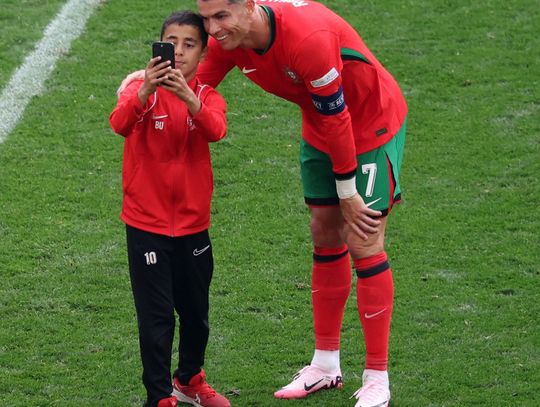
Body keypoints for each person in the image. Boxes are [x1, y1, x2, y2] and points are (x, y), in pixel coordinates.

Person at [119, 1, 407, 406]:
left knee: (363, 237)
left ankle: (377, 376)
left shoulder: (308, 40)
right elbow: (193, 85)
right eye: (206, 18)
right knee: (323, 233)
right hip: (321, 127)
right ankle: (325, 364)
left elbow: (340, 114)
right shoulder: (229, 40)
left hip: (369, 123)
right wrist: (142, 84)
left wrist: (348, 191)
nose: (212, 29)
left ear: (251, 6)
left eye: (221, 16)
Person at [109, 11, 231, 407]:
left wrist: (189, 98)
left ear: (203, 53)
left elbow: (216, 129)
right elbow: (119, 123)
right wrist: (145, 91)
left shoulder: (208, 97)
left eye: (189, 45)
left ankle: (190, 379)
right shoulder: (138, 91)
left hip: (193, 227)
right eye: (171, 43)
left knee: (196, 313)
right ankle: (160, 397)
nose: (178, 52)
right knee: (157, 317)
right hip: (147, 225)